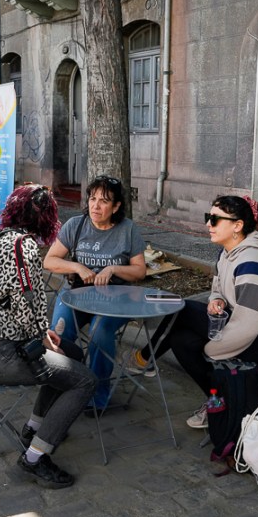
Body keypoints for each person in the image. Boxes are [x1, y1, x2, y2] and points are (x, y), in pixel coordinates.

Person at [0, 184, 96, 489]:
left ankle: (34, 428)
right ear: (46, 217)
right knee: (85, 380)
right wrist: (43, 337)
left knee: (73, 354)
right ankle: (35, 458)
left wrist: (42, 334)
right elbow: (27, 306)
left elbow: (11, 303)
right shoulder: (23, 247)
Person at [131, 195, 258, 429]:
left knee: (184, 309)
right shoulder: (228, 252)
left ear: (237, 226)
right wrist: (216, 299)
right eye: (208, 217)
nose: (208, 224)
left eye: (216, 219)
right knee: (180, 340)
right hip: (239, 323)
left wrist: (211, 350)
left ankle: (145, 358)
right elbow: (218, 287)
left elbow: (248, 327)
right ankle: (220, 398)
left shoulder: (253, 264)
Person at [44, 175, 147, 415]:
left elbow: (140, 271)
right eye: (92, 199)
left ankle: (98, 394)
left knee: (99, 332)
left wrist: (113, 269)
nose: (96, 206)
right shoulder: (76, 225)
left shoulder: (127, 230)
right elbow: (49, 260)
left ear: (116, 206)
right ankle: (64, 385)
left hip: (116, 299)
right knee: (59, 332)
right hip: (76, 294)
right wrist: (76, 267)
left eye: (104, 201)